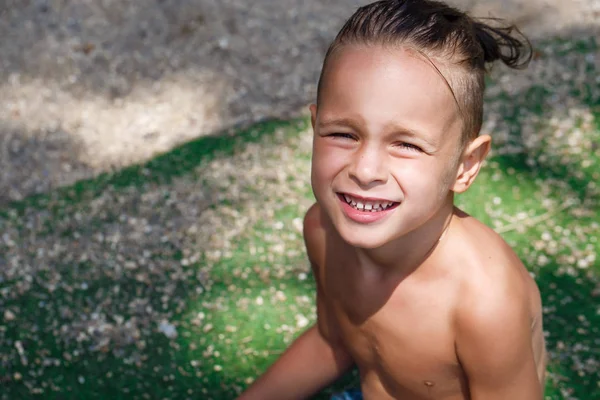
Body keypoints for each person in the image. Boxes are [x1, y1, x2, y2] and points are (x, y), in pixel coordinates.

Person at [237, 0, 547, 399]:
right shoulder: (322, 231)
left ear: (465, 166)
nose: (366, 170)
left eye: (406, 144)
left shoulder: (483, 300)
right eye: (343, 134)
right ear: (315, 129)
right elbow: (333, 341)